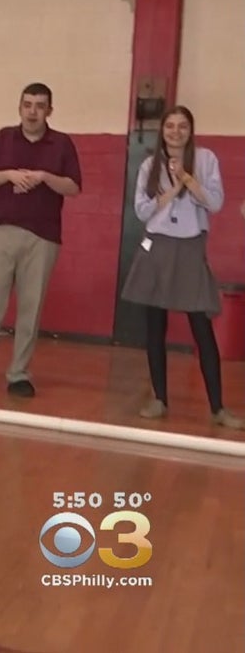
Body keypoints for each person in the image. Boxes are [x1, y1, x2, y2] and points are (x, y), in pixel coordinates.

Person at [0, 82, 82, 398]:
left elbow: (74, 187)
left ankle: (19, 373)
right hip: (1, 231)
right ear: (20, 107)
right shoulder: (4, 138)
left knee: (31, 306)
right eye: (28, 104)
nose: (33, 111)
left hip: (43, 237)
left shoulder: (62, 144)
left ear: (49, 110)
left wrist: (43, 177)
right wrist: (10, 175)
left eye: (40, 106)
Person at [120, 106, 243, 429]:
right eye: (170, 126)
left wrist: (187, 179)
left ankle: (218, 407)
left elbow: (215, 204)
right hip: (156, 246)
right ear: (162, 130)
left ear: (191, 130)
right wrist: (171, 191)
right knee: (154, 326)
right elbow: (142, 211)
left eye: (183, 126)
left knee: (201, 329)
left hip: (190, 246)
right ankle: (159, 398)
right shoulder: (150, 165)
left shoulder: (206, 160)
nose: (176, 131)